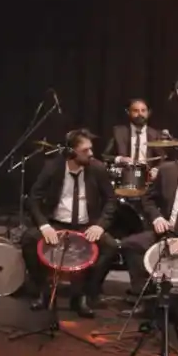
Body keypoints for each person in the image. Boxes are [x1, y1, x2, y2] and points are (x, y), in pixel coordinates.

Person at [21, 128, 119, 318]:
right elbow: (33, 198)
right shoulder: (53, 167)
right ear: (71, 152)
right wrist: (44, 225)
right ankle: (43, 291)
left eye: (91, 149)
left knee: (110, 246)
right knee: (29, 239)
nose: (91, 153)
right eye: (85, 150)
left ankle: (84, 294)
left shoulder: (97, 168)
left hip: (85, 225)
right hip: (57, 223)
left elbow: (111, 200)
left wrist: (100, 225)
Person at [120, 132, 178, 332]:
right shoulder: (167, 171)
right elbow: (148, 198)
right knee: (131, 245)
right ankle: (148, 299)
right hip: (168, 231)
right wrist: (157, 217)